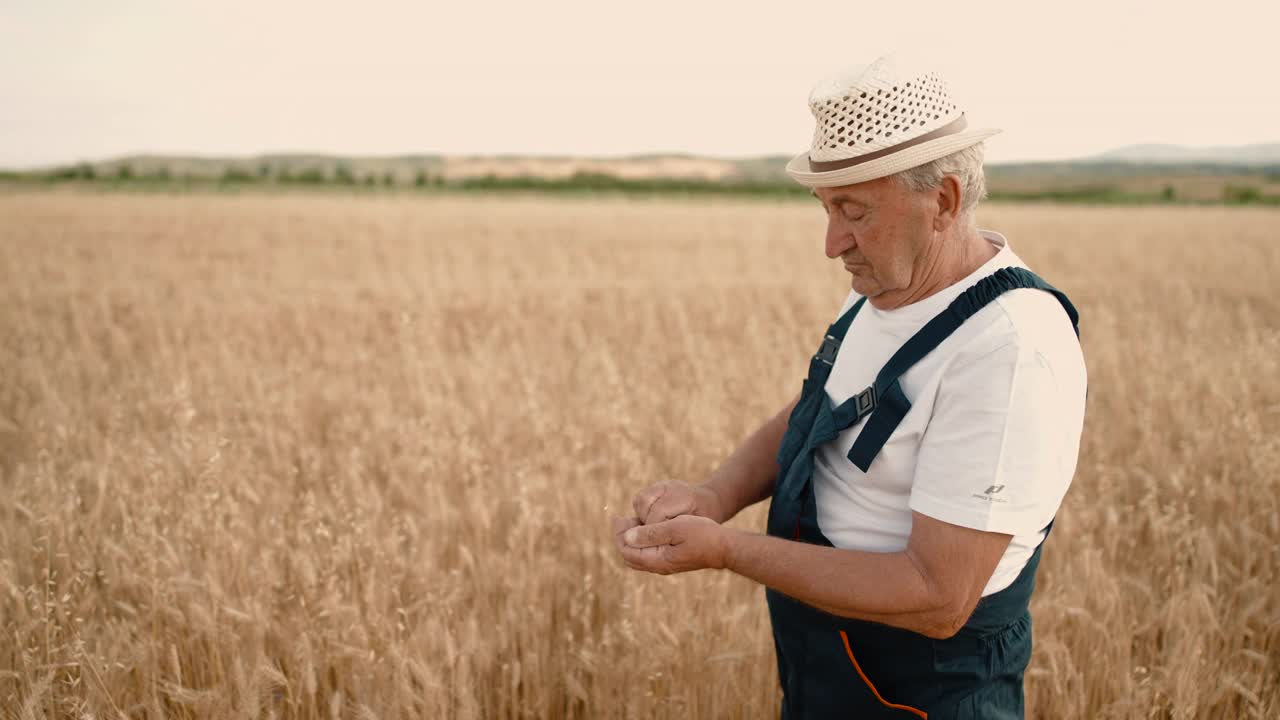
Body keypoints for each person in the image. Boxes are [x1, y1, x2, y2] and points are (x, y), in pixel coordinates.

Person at [613, 54, 1087, 720]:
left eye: (855, 211)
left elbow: (938, 596)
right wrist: (712, 495)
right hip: (833, 663)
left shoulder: (1008, 350)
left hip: (924, 692)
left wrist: (726, 550)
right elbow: (821, 409)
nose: (833, 243)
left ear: (943, 201)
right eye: (827, 208)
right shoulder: (886, 286)